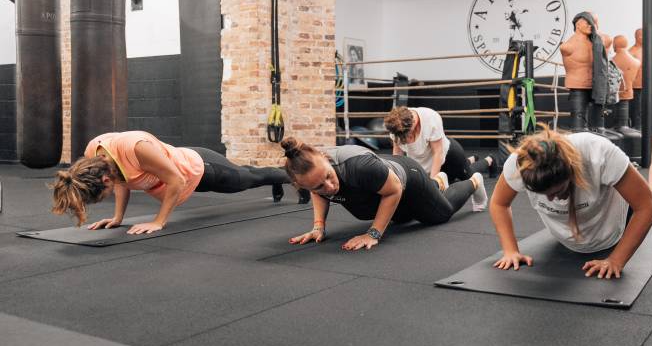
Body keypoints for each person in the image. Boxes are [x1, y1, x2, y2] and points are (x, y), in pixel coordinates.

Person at [51, 131, 307, 234]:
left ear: (104, 179)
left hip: (203, 169)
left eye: (102, 193)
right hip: (185, 170)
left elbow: (176, 180)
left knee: (248, 179)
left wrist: (158, 221)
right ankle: (277, 178)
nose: (108, 192)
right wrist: (118, 218)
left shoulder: (137, 149)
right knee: (248, 174)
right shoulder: (94, 156)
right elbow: (121, 180)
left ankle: (291, 176)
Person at [489, 125, 652, 278]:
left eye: (556, 192)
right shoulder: (519, 164)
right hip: (565, 239)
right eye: (543, 194)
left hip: (610, 235)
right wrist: (510, 250)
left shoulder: (599, 153)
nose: (550, 200)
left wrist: (616, 260)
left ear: (570, 172)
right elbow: (499, 204)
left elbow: (646, 207)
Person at [281, 137, 487, 251]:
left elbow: (394, 189)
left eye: (328, 176)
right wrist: (319, 227)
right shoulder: (313, 173)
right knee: (402, 218)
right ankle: (436, 184)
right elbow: (319, 192)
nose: (329, 187)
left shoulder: (359, 166)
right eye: (318, 186)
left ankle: (473, 182)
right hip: (380, 185)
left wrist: (373, 233)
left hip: (407, 178)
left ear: (325, 157)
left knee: (439, 215)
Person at [383, 106, 494, 188]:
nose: (406, 140)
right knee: (449, 182)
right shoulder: (395, 126)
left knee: (467, 178)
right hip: (427, 162)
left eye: (407, 136)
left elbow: (438, 153)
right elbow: (398, 156)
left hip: (449, 155)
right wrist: (397, 180)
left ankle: (490, 160)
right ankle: (471, 159)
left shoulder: (430, 118)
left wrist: (433, 182)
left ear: (412, 124)